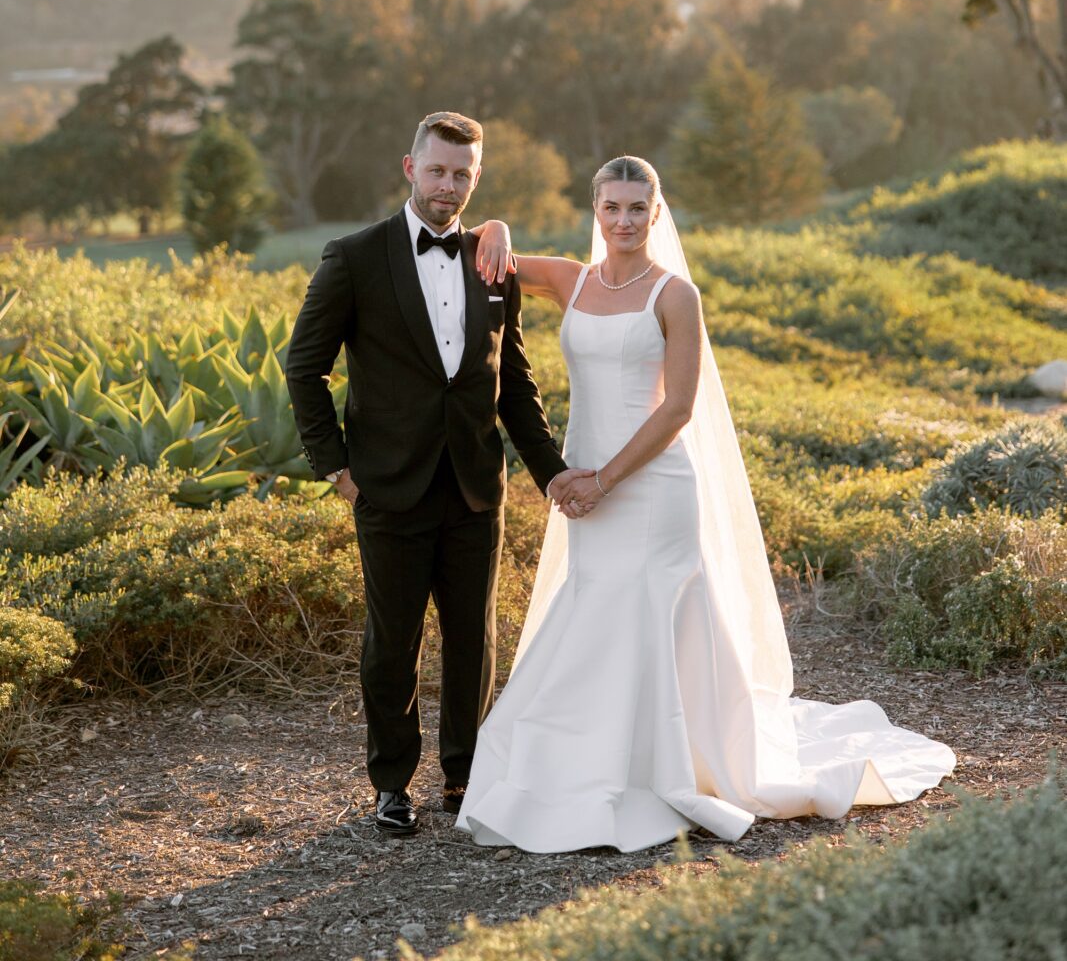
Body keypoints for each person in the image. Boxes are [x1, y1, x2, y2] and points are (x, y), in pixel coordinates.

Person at [457, 155, 956, 853]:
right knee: (595, 606)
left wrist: (601, 480)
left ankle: (672, 767)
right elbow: (481, 242)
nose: (624, 221)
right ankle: (586, 765)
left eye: (637, 208)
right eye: (611, 208)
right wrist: (501, 223)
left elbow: (678, 410)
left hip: (652, 485)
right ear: (593, 211)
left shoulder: (673, 294)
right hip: (586, 481)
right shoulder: (572, 281)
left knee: (647, 609)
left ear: (656, 214)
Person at [284, 112, 588, 838]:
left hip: (475, 486)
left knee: (473, 639)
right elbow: (304, 366)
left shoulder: (492, 262)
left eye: (462, 173)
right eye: (437, 170)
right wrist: (336, 470)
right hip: (385, 487)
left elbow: (511, 380)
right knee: (392, 643)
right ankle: (390, 783)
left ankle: (465, 775)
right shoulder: (354, 258)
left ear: (475, 179)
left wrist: (552, 473)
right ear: (409, 168)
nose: (448, 184)